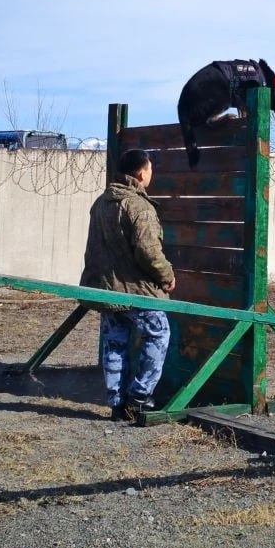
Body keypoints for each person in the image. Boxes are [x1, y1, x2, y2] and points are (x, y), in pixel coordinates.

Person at [80, 148, 176, 420]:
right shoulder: (139, 207)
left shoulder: (101, 203)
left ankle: (117, 405)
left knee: (114, 343)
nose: (151, 174)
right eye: (150, 169)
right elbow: (149, 252)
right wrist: (167, 276)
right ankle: (140, 397)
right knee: (158, 334)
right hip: (137, 291)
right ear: (142, 173)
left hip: (106, 289)